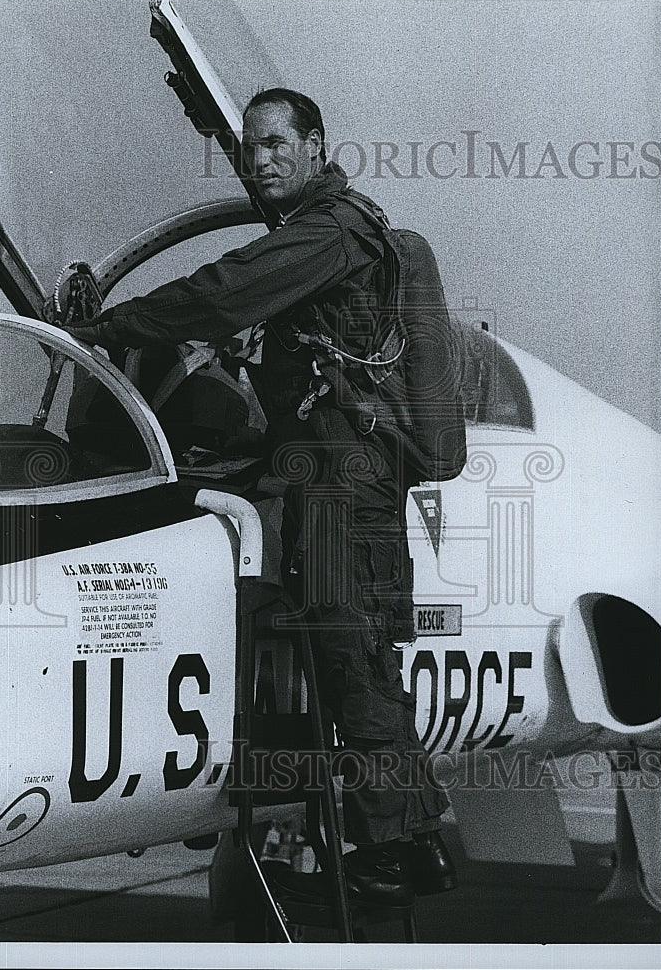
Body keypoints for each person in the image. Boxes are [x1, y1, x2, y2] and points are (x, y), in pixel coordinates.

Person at [69, 88, 457, 906]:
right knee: (362, 660)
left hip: (340, 482)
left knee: (350, 652)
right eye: (249, 146)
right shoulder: (337, 235)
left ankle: (392, 848)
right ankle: (411, 841)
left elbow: (218, 293)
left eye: (277, 143)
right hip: (338, 473)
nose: (260, 159)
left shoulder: (330, 231)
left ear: (316, 146)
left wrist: (108, 329)